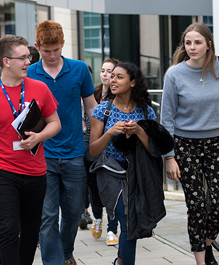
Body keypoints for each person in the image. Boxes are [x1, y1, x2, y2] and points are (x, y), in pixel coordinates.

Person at [0, 34, 61, 265]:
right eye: (23, 58)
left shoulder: (40, 88)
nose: (29, 62)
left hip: (36, 172)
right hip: (2, 172)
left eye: (29, 57)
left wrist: (39, 136)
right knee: (8, 229)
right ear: (6, 61)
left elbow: (55, 123)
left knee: (30, 231)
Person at [161, 22, 219, 265]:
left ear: (208, 44)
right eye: (188, 42)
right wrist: (170, 156)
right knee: (196, 205)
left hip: (217, 143)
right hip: (185, 146)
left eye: (198, 42)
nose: (192, 47)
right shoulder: (175, 74)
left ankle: (206, 245)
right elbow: (166, 118)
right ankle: (202, 261)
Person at [27, 20, 97, 265]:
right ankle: (54, 261)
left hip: (74, 153)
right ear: (37, 47)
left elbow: (91, 107)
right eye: (46, 50)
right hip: (42, 155)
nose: (52, 54)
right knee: (47, 216)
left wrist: (98, 137)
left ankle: (66, 252)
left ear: (63, 44)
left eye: (56, 49)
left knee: (74, 212)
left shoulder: (79, 69)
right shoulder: (30, 73)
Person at [89, 62, 160, 265]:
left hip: (137, 173)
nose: (113, 80)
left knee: (132, 225)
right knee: (128, 224)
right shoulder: (103, 110)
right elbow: (93, 150)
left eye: (119, 77)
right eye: (112, 76)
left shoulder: (147, 112)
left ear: (132, 82)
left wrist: (139, 131)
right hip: (110, 172)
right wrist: (110, 132)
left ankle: (120, 261)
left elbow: (154, 150)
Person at [83, 58, 120, 246]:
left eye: (110, 71)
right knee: (94, 186)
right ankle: (97, 218)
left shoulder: (119, 95)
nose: (106, 74)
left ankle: (112, 229)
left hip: (112, 147)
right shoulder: (92, 93)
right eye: (103, 70)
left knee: (112, 188)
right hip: (92, 146)